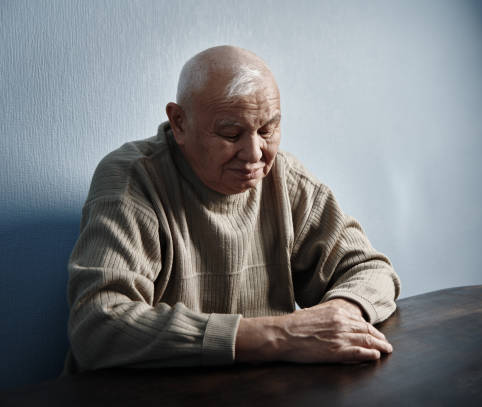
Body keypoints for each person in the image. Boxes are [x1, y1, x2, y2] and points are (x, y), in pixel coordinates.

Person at [64, 45, 401, 373]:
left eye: (267, 130)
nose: (255, 154)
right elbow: (98, 325)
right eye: (231, 133)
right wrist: (281, 335)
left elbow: (371, 270)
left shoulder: (285, 179)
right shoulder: (132, 180)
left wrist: (337, 318)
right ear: (179, 122)